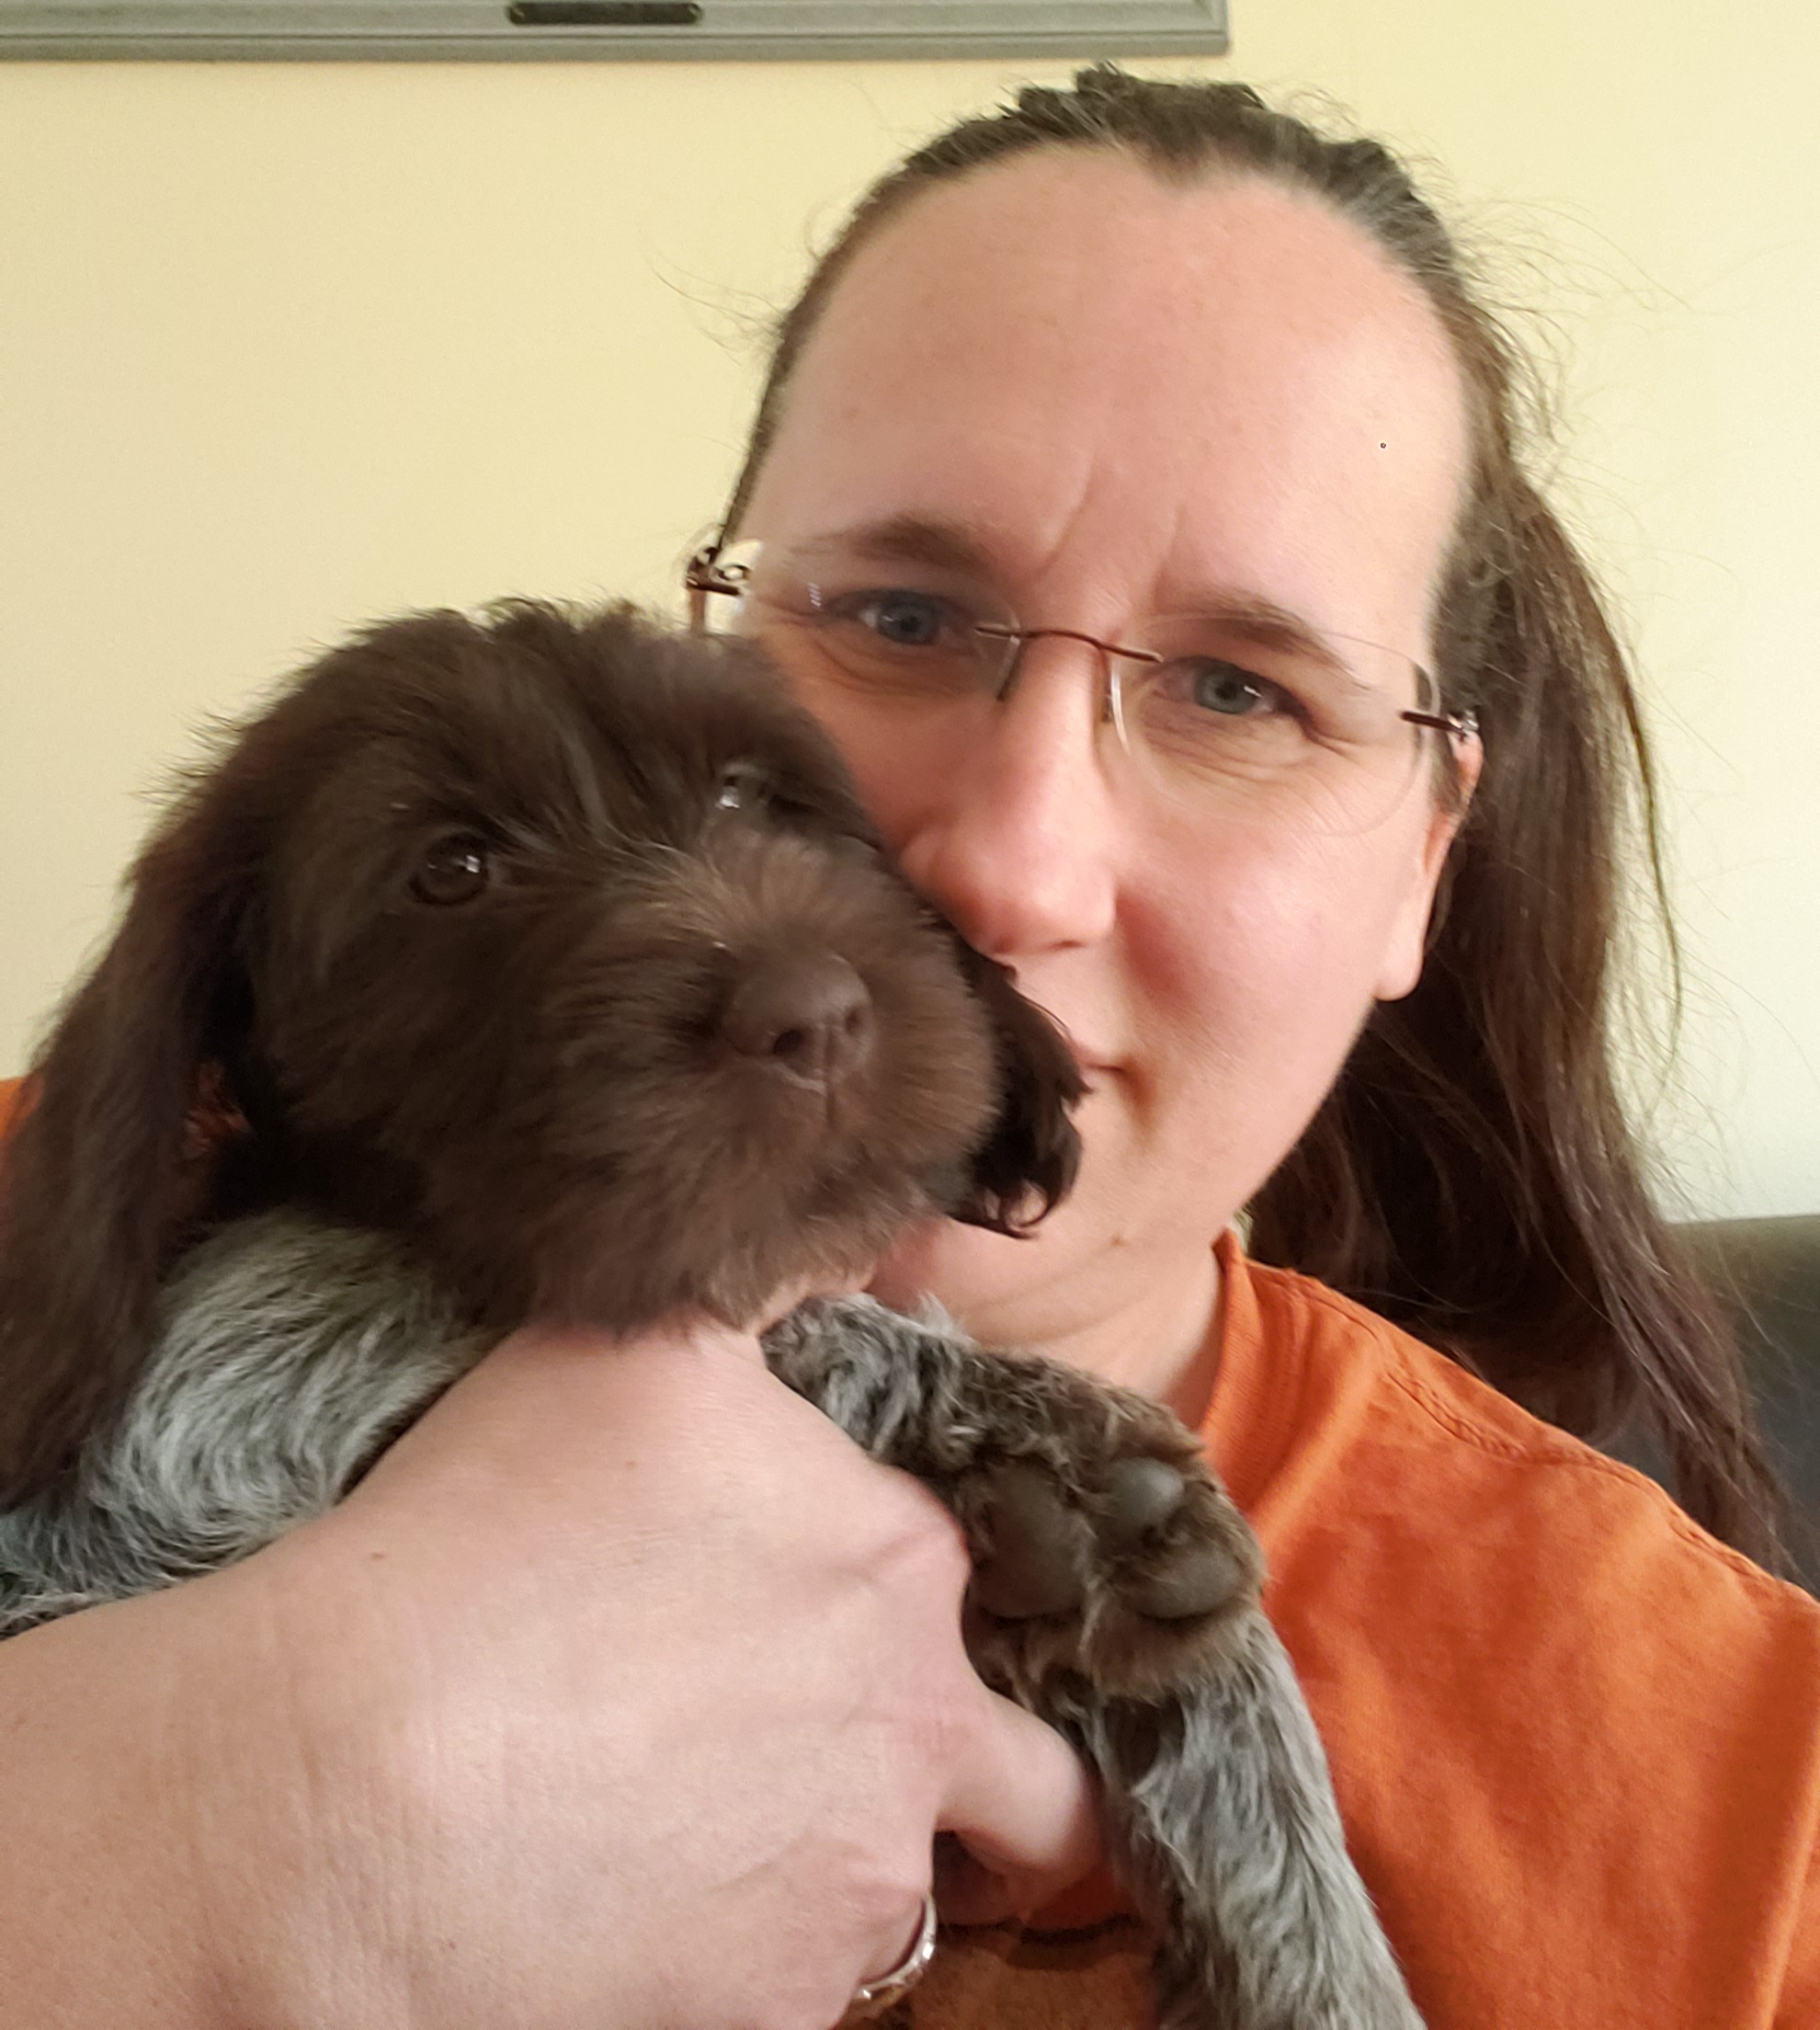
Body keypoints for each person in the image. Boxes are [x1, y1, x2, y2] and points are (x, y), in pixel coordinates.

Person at [1, 65, 1814, 2030]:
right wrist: (130, 1860)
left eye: (1239, 689)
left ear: (1421, 871)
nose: (1016, 870)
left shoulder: (1741, 1811)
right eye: (898, 612)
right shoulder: (75, 1202)